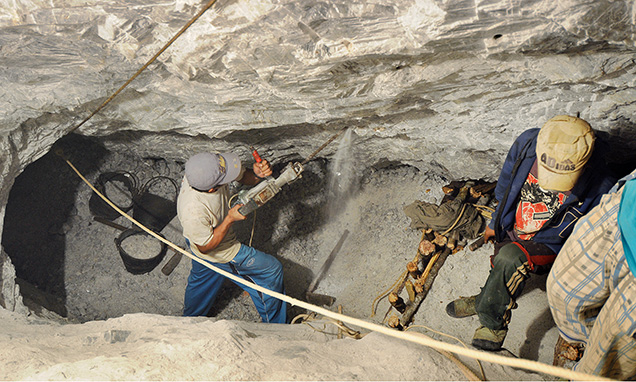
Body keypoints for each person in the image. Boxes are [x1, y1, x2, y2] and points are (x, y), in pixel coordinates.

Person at [445, 115, 616, 351]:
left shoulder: (602, 186)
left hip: (547, 242)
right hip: (514, 221)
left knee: (508, 260)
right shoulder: (527, 143)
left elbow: (591, 236)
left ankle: (492, 322)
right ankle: (488, 298)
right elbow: (505, 184)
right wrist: (495, 220)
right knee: (501, 262)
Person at [176, 152, 287, 323]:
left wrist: (257, 174)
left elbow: (243, 176)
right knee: (271, 271)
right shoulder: (193, 210)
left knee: (204, 278)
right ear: (213, 188)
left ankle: (189, 322)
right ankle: (278, 326)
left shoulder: (204, 170)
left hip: (198, 237)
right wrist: (229, 219)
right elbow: (205, 247)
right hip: (217, 248)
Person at [546, 170, 636, 379]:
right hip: (627, 209)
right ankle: (579, 345)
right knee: (562, 289)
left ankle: (586, 369)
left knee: (607, 357)